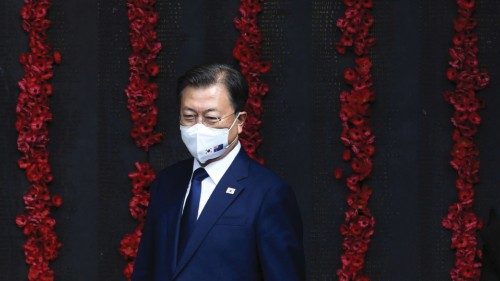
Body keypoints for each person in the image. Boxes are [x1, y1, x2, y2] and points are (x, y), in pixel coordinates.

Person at [131, 63, 305, 281]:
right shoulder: (167, 182)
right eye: (189, 116)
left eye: (211, 118)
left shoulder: (268, 193)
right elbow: (147, 267)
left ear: (240, 121)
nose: (199, 127)